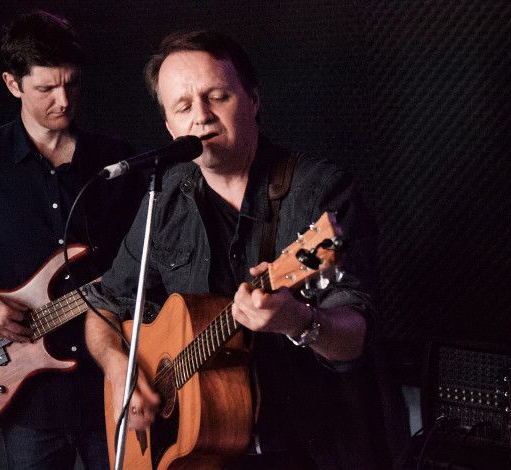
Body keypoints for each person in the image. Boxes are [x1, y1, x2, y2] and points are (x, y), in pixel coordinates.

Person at [85, 31, 401, 468]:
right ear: (169, 128)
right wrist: (117, 365)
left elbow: (355, 339)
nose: (201, 116)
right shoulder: (168, 194)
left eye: (218, 96)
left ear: (252, 100)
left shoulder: (318, 191)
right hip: (200, 450)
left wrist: (299, 320)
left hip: (313, 445)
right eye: (183, 107)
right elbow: (105, 304)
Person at [0, 11, 144, 469]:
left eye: (72, 85)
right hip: (25, 391)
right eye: (45, 89)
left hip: (111, 374)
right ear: (12, 84)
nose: (63, 100)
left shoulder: (118, 161)